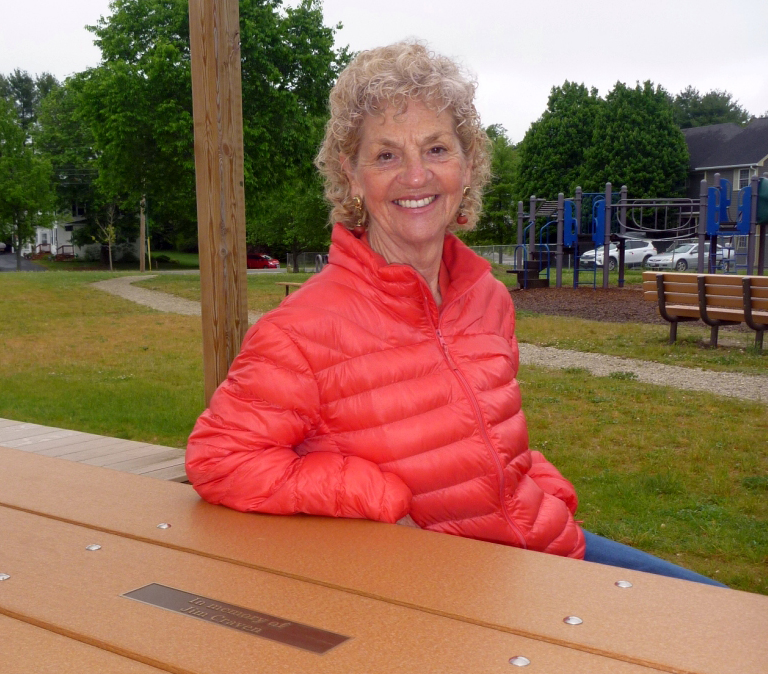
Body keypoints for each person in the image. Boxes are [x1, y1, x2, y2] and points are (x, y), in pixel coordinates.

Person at [186, 41, 724, 587]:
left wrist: (548, 491)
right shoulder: (300, 331)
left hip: (544, 548)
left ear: (467, 166)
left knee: (722, 611)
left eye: (437, 149)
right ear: (351, 175)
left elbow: (490, 434)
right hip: (447, 588)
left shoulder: (486, 296)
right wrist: (375, 496)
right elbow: (221, 459)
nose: (416, 175)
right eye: (387, 155)